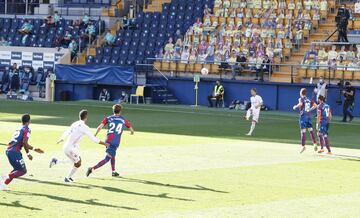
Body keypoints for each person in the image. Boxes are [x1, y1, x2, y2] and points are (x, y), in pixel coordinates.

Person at [49, 110, 109, 182]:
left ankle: (56, 162)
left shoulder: (75, 123)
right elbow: (93, 139)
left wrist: (62, 138)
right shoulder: (85, 127)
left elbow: (67, 131)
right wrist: (105, 144)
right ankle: (67, 178)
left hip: (67, 146)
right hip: (71, 149)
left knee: (74, 162)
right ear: (86, 117)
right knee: (78, 163)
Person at [86, 104, 134, 177]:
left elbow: (100, 127)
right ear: (120, 111)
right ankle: (92, 168)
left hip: (108, 140)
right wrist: (131, 132)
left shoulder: (108, 118)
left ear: (113, 110)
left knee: (112, 155)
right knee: (107, 158)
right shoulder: (123, 119)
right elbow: (131, 130)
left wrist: (94, 135)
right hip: (115, 141)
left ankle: (113, 171)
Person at [0, 114, 44, 190]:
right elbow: (24, 142)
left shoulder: (19, 128)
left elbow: (22, 142)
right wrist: (28, 154)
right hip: (14, 152)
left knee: (16, 169)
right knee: (23, 171)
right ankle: (6, 176)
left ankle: (3, 185)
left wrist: (34, 149)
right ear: (29, 121)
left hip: (9, 151)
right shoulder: (27, 129)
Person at [293, 88, 318, 153]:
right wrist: (309, 109)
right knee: (311, 130)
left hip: (303, 116)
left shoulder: (301, 99)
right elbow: (315, 105)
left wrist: (295, 106)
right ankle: (315, 143)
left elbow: (300, 104)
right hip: (309, 116)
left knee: (303, 131)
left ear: (301, 93)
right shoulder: (309, 99)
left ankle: (303, 146)